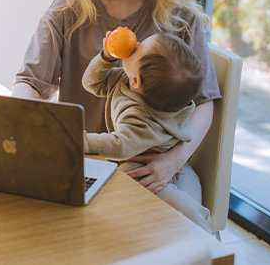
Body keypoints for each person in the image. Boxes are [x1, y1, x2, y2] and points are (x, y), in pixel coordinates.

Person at [12, 0, 221, 232]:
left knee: (181, 231)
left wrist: (171, 162)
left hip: (154, 167)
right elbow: (29, 84)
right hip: (84, 162)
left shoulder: (181, 16)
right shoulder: (69, 9)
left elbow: (204, 103)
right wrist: (30, 129)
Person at [82, 31, 210, 230]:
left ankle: (197, 221)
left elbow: (120, 144)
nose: (135, 43)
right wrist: (106, 56)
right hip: (140, 156)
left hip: (141, 168)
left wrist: (79, 140)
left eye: (138, 48)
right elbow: (91, 83)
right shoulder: (131, 81)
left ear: (136, 81)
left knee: (173, 207)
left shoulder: (141, 121)